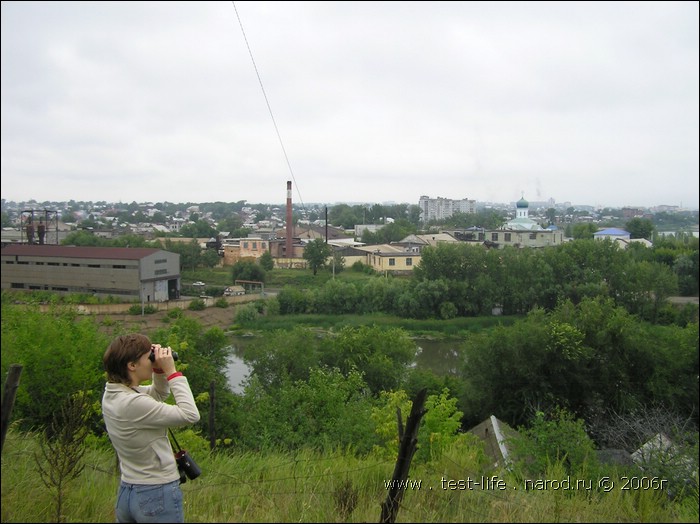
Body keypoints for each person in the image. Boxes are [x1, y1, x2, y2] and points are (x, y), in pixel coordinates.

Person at [102, 334, 200, 523]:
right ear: (132, 366)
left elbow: (157, 395)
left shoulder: (113, 394)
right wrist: (172, 372)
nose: (153, 359)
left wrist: (158, 372)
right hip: (155, 494)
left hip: (128, 491)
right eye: (149, 357)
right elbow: (190, 414)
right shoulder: (133, 403)